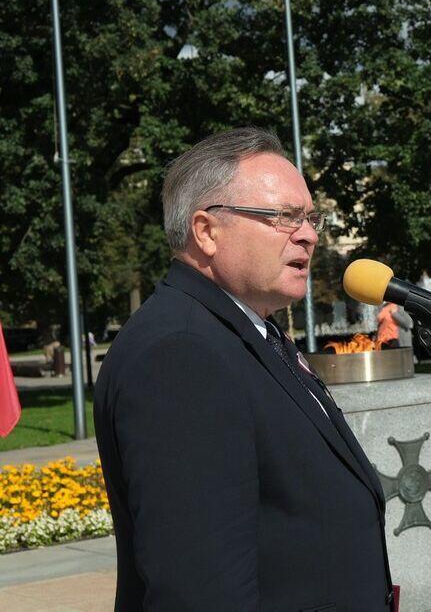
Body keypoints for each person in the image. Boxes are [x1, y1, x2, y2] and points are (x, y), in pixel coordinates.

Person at [94, 128, 394, 611]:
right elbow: (199, 592)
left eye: (311, 217)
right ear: (207, 231)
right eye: (283, 217)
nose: (309, 234)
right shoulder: (180, 354)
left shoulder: (246, 332)